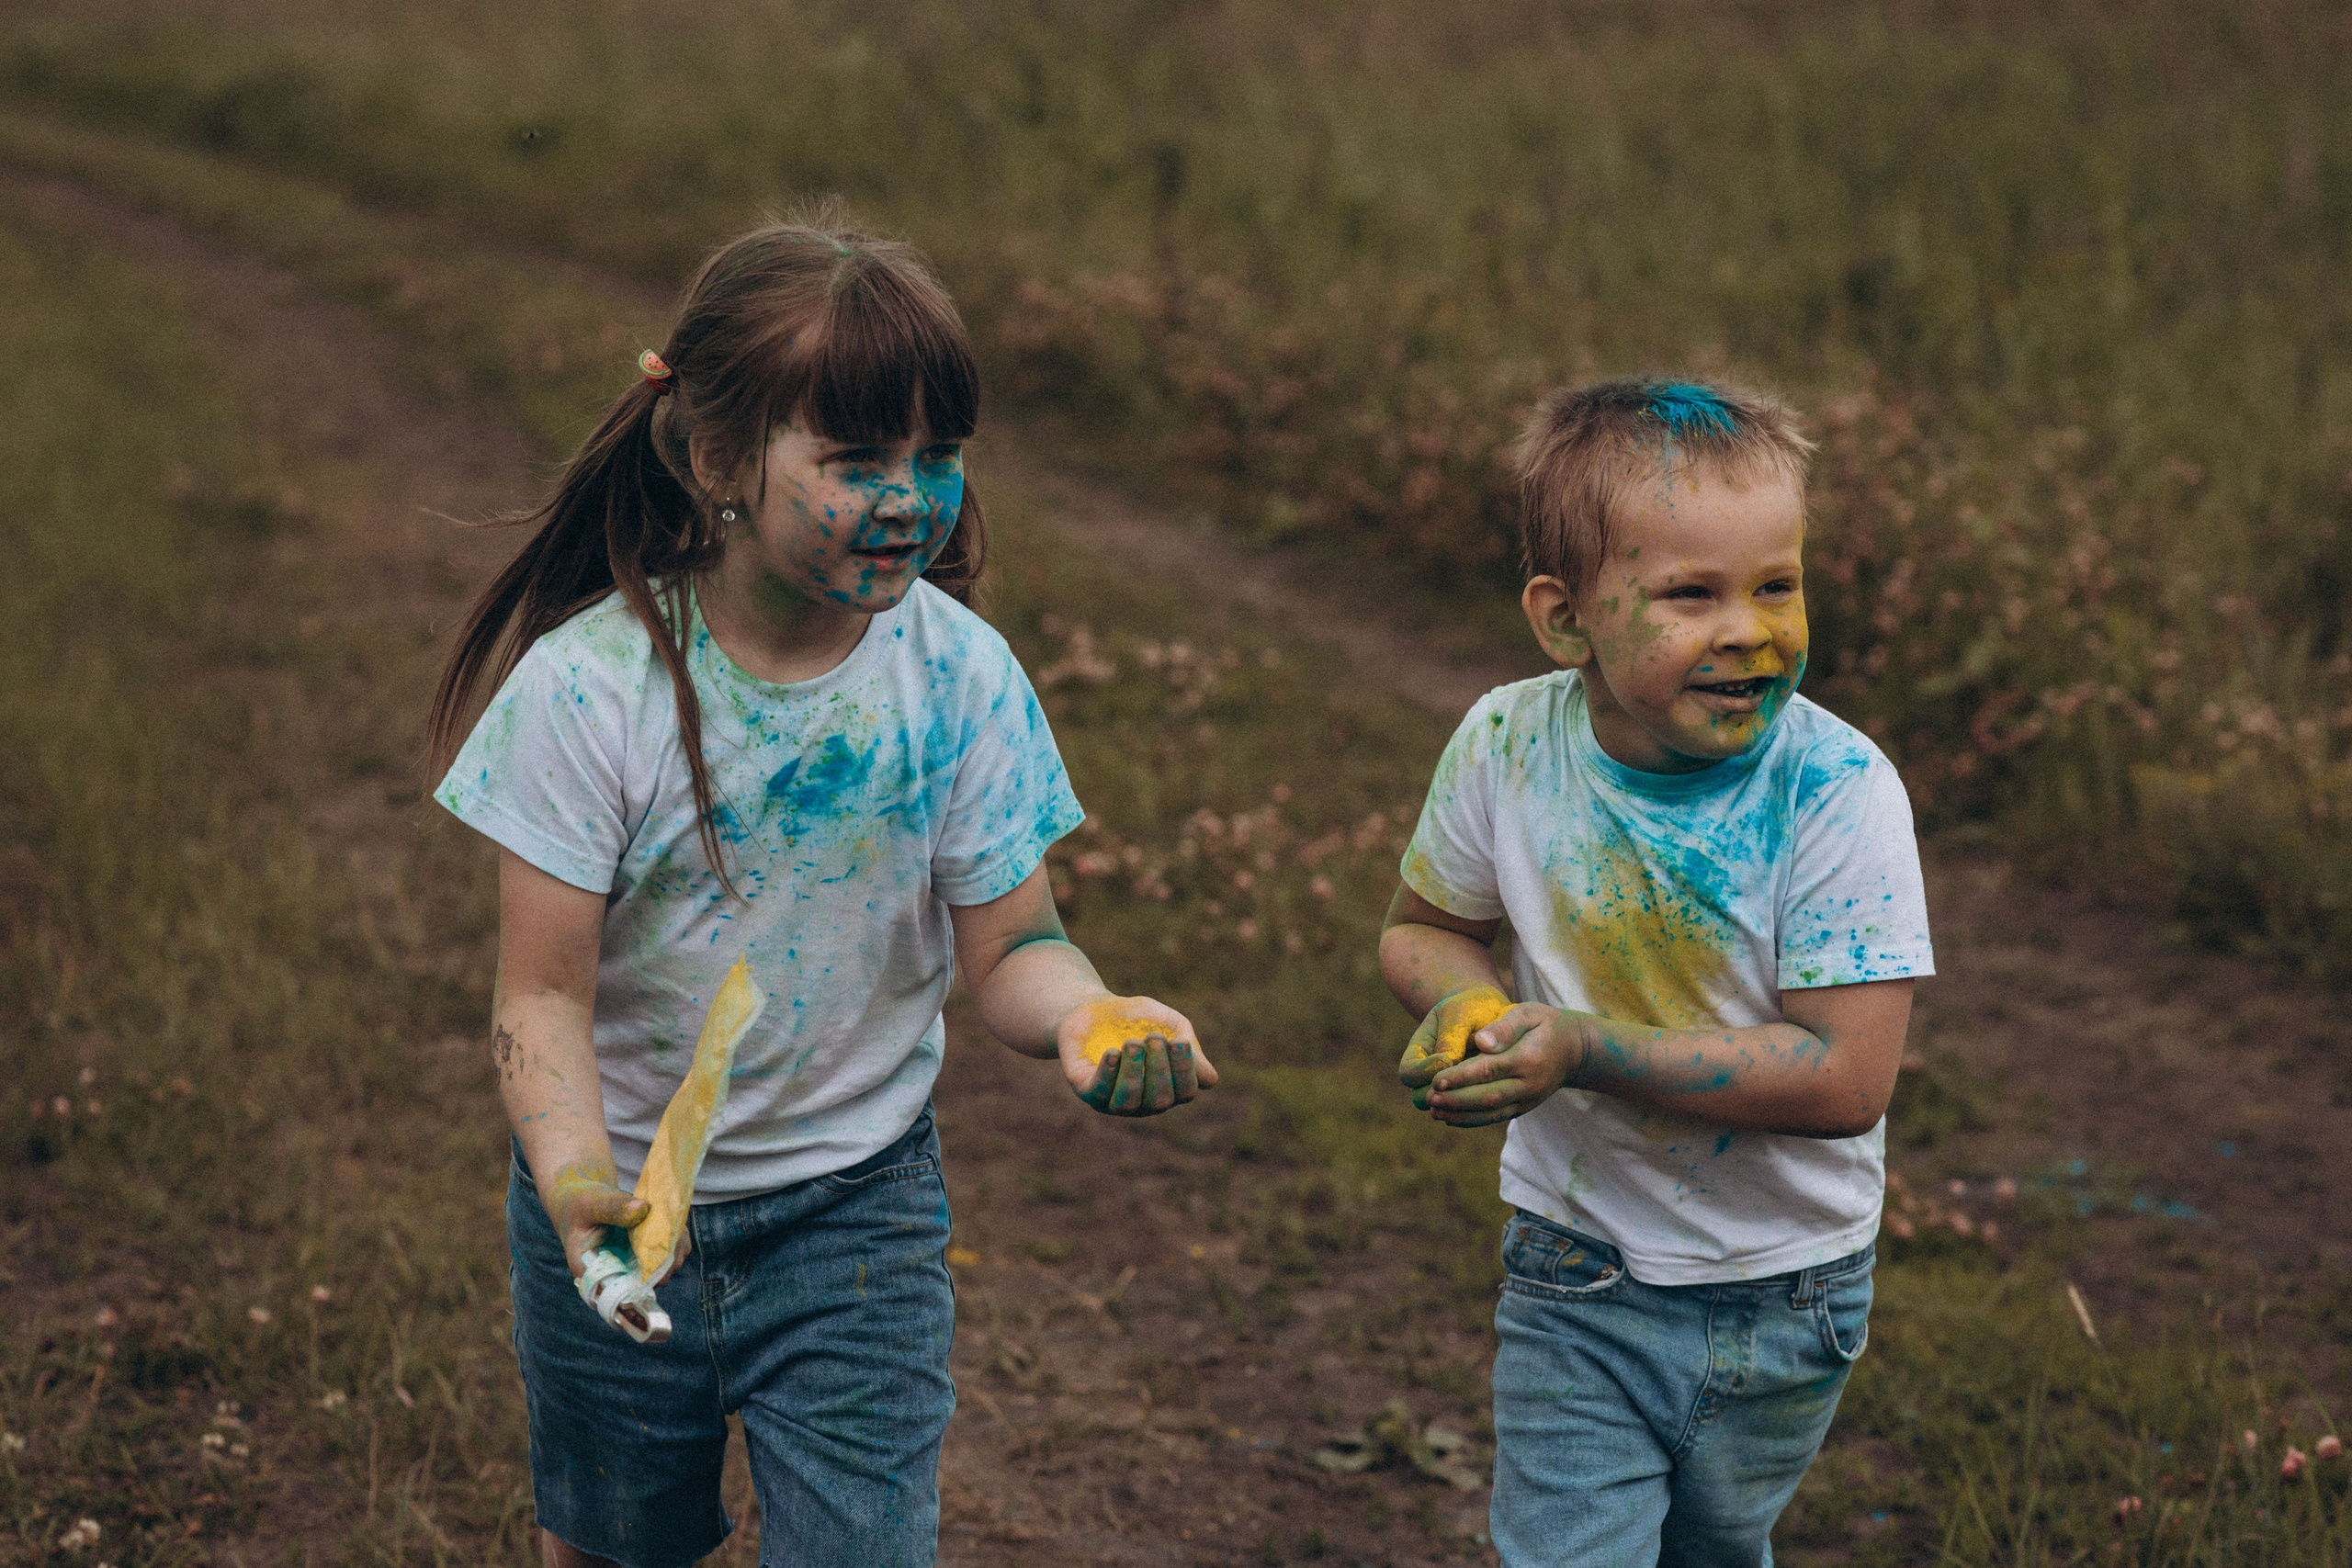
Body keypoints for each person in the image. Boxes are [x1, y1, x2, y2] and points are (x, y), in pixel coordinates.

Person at [426, 215, 1215, 1568]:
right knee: (616, 1547)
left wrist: (1085, 1014)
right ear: (720, 457)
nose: (910, 495)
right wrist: (574, 1182)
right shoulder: (590, 690)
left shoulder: (957, 677)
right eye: (858, 460)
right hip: (618, 1213)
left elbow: (1017, 940)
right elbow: (541, 994)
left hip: (859, 1216)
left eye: (939, 456)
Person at [1381, 379, 1932, 1566]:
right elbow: (1422, 928)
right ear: (1563, 616)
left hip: (1787, 1284)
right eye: (1693, 593)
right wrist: (1472, 1007)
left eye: (1776, 584)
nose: (1750, 628)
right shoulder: (1505, 747)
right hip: (1574, 1265)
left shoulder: (1836, 790)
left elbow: (1846, 1081)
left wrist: (1582, 1046)